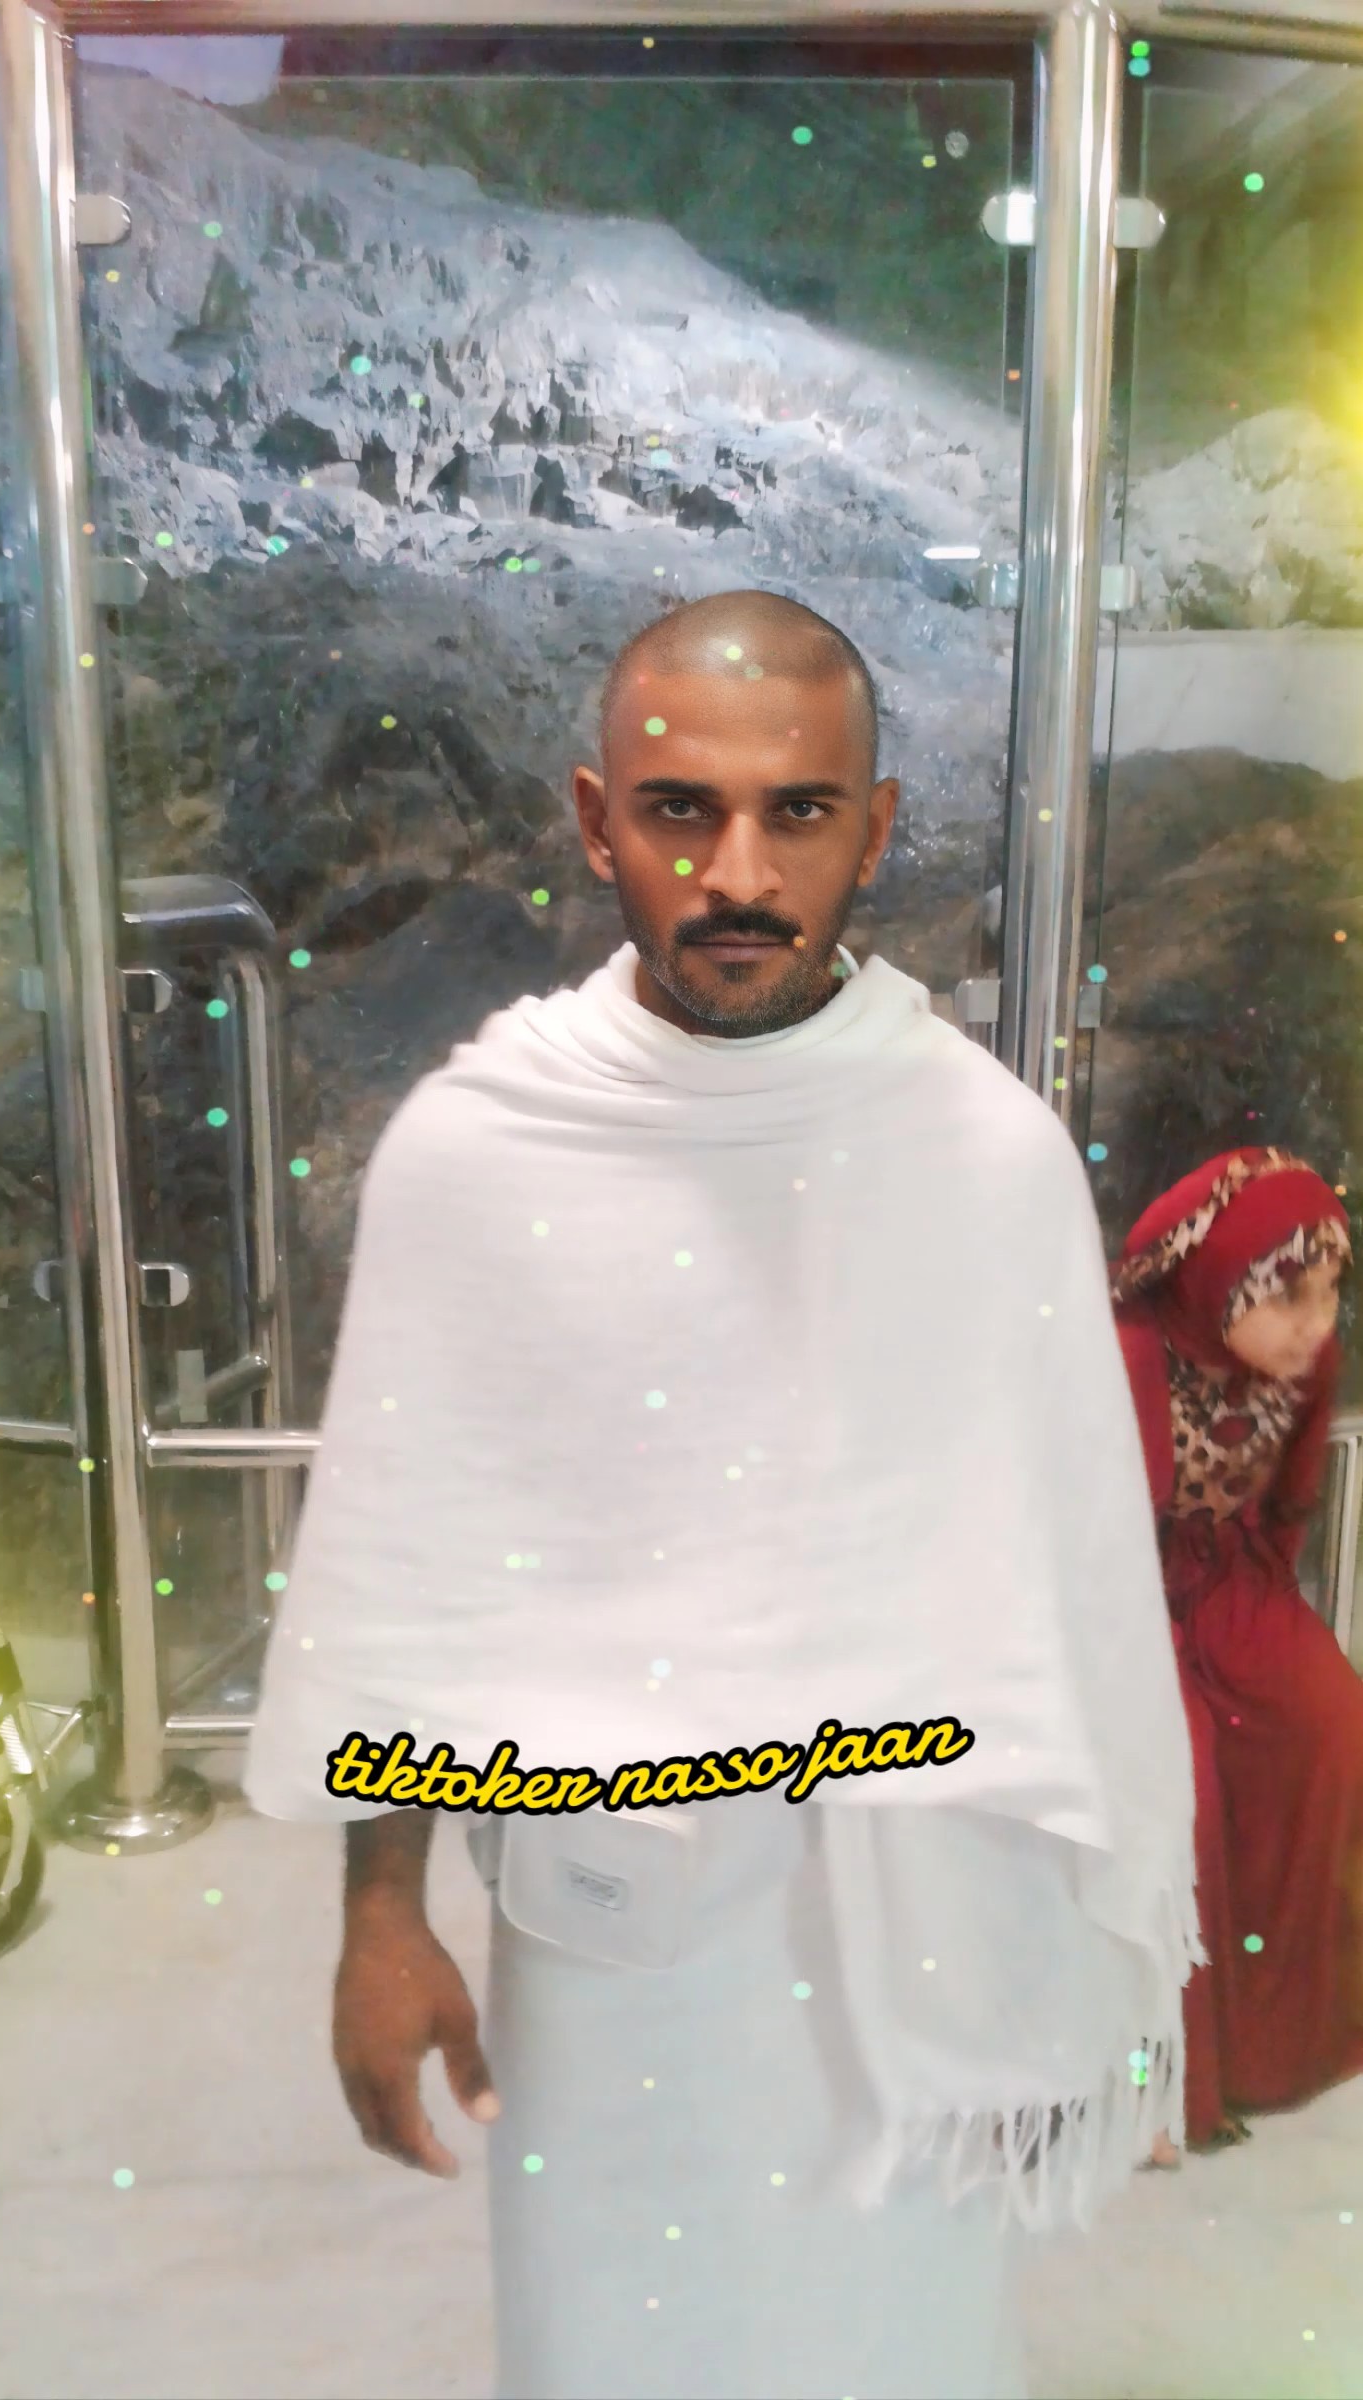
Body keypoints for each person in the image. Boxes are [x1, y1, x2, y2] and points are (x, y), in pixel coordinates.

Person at [245, 589, 1201, 2400]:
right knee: (612, 2341)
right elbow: (412, 1570)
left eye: (799, 812)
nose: (740, 872)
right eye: (683, 811)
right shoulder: (480, 1150)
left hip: (908, 1939)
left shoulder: (980, 1157)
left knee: (891, 2353)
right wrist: (382, 1914)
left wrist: (1082, 1952)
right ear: (596, 820)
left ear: (876, 829)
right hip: (611, 1934)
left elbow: (1074, 1584)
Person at [1112, 1147, 1363, 2163]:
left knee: (1332, 1727)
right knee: (1177, 1786)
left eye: (1332, 1292)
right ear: (1221, 1280)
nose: (1317, 1322)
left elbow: (1292, 1500)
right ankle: (1156, 2080)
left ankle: (1281, 2042)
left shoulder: (1308, 1363)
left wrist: (1262, 1617)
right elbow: (1092, 1536)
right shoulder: (1133, 1353)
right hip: (1118, 1594)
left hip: (1230, 1577)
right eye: (1291, 1295)